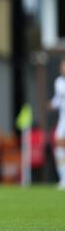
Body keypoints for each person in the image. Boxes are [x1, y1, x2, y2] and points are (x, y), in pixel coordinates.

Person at [48, 59, 65, 190]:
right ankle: (63, 179)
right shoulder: (58, 82)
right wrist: (51, 104)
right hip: (63, 120)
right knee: (59, 148)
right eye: (62, 66)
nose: (63, 68)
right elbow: (58, 100)